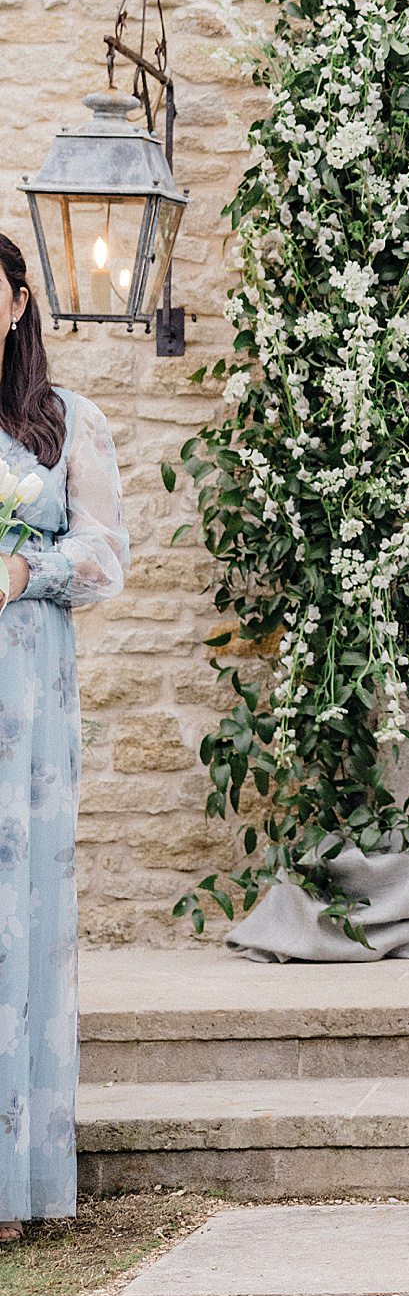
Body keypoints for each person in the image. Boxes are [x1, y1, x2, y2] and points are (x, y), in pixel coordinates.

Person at [0, 233, 128, 1236]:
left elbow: (105, 557)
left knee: (19, 918)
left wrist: (24, 570)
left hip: (24, 699)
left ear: (17, 301)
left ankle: (13, 1181)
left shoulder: (65, 421)